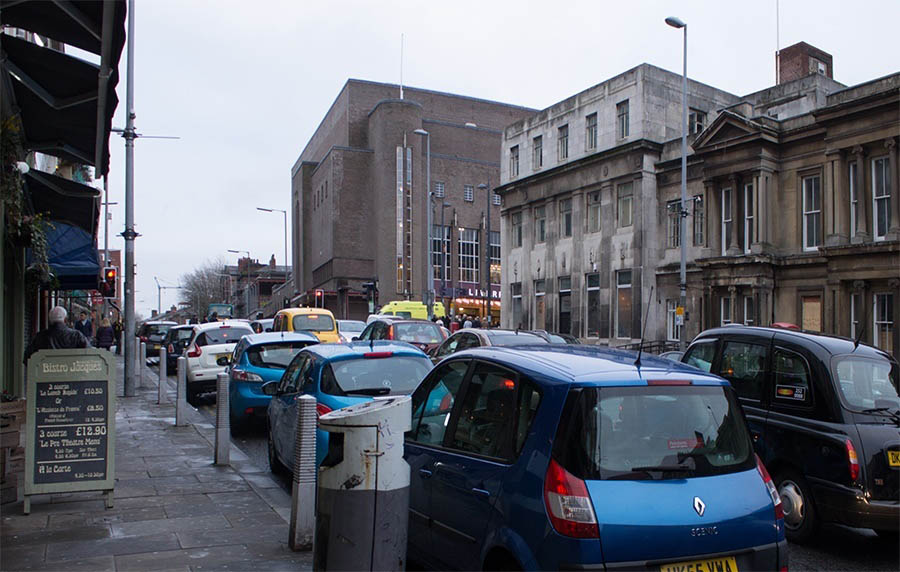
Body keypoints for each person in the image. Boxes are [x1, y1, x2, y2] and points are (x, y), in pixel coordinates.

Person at [24, 306, 91, 364]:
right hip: (72, 375)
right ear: (65, 320)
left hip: (46, 376)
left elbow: (27, 358)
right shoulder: (76, 336)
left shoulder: (40, 337)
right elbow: (90, 355)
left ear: (50, 320)